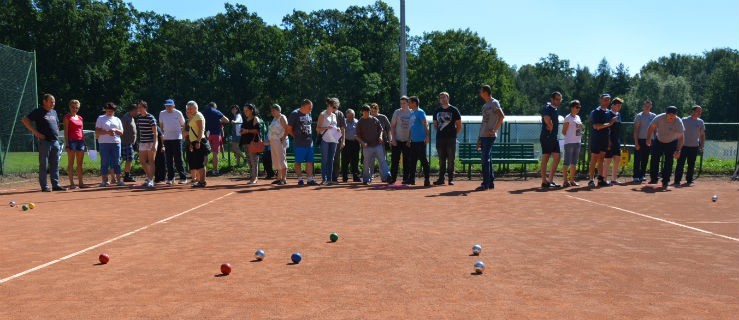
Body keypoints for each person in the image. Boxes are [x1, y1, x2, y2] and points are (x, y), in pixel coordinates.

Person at [21, 94, 66, 192]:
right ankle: (44, 186)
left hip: (55, 142)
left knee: (55, 164)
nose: (53, 103)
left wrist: (56, 132)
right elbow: (24, 120)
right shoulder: (38, 111)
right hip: (44, 142)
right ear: (44, 101)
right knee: (44, 165)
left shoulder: (54, 112)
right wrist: (36, 133)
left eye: (54, 101)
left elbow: (57, 124)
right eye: (51, 101)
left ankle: (55, 185)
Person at [646, 106, 685, 189]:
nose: (672, 116)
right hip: (659, 140)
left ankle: (665, 180)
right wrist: (648, 138)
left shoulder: (678, 121)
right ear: (666, 114)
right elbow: (651, 127)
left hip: (671, 142)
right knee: (654, 158)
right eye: (670, 114)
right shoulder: (659, 118)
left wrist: (678, 150)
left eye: (674, 115)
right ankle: (654, 179)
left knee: (669, 161)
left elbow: (681, 137)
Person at [476, 85, 505, 191]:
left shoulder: (494, 102)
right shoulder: (485, 106)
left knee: (485, 159)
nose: (480, 93)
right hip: (483, 136)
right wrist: (479, 138)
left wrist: (494, 130)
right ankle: (490, 182)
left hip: (489, 136)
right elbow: (483, 123)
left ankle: (485, 183)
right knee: (488, 159)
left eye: (481, 91)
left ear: (486, 92)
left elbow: (501, 116)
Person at [432, 92, 462, 186]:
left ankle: (451, 179)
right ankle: (441, 179)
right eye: (441, 97)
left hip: (451, 139)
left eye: (444, 97)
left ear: (448, 98)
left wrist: (453, 134)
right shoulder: (437, 110)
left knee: (451, 159)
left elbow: (459, 125)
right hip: (440, 138)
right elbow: (435, 124)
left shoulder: (454, 110)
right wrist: (441, 132)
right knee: (441, 159)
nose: (442, 99)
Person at [287, 99, 318, 186]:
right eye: (309, 107)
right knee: (298, 162)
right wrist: (296, 137)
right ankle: (300, 179)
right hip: (299, 143)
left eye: (311, 108)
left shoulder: (309, 113)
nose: (311, 109)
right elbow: (289, 128)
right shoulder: (294, 114)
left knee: (310, 161)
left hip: (309, 142)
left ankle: (310, 179)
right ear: (303, 106)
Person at [356, 105, 389, 185]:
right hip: (367, 146)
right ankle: (366, 179)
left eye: (368, 112)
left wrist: (380, 137)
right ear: (362, 112)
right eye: (365, 112)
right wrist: (362, 143)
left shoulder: (374, 119)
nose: (366, 114)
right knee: (367, 163)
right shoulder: (360, 122)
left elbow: (380, 129)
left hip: (377, 145)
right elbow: (357, 136)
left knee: (382, 161)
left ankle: (387, 176)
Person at [94, 102, 125, 187]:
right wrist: (107, 132)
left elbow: (122, 132)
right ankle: (104, 181)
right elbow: (97, 131)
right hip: (104, 143)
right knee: (105, 162)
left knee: (117, 161)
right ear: (105, 110)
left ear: (114, 111)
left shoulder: (117, 119)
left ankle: (119, 180)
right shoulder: (101, 118)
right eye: (107, 110)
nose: (109, 112)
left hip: (116, 143)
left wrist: (115, 130)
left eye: (111, 110)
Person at [674, 105, 705, 186]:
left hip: (694, 146)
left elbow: (702, 135)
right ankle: (677, 181)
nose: (699, 113)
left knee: (691, 164)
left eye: (700, 111)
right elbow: (678, 131)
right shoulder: (684, 120)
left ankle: (689, 180)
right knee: (680, 163)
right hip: (683, 146)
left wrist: (701, 145)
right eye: (698, 111)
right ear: (693, 111)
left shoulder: (700, 122)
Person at [159, 99, 187, 185]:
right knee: (169, 159)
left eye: (170, 105)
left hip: (177, 138)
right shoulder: (162, 113)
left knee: (178, 158)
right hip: (167, 139)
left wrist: (183, 135)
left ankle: (183, 178)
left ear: (173, 106)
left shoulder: (178, 113)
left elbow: (183, 124)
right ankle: (171, 178)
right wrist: (163, 135)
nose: (168, 107)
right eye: (167, 105)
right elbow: (161, 125)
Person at [587, 94, 612, 187]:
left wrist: (609, 140)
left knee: (601, 158)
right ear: (601, 100)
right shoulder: (596, 112)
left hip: (604, 139)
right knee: (594, 158)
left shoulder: (608, 112)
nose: (607, 101)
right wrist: (610, 123)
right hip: (596, 138)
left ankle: (601, 179)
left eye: (608, 100)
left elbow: (607, 128)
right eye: (605, 100)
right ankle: (591, 179)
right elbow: (596, 126)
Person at [540, 92, 562, 188]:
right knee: (546, 157)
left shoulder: (555, 109)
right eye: (557, 99)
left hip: (553, 137)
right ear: (552, 99)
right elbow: (546, 118)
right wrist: (550, 126)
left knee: (557, 157)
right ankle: (544, 181)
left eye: (560, 99)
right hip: (547, 136)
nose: (558, 101)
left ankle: (550, 180)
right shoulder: (547, 107)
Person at [63, 99, 86, 189]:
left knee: (80, 163)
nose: (74, 109)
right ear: (69, 107)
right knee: (71, 162)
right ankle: (72, 184)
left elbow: (81, 131)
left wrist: (84, 143)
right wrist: (67, 144)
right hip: (71, 141)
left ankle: (81, 183)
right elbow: (66, 131)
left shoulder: (80, 118)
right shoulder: (67, 117)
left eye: (76, 107)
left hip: (80, 141)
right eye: (73, 107)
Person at [318, 98, 341, 185]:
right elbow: (318, 129)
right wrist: (326, 128)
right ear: (330, 106)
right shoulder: (322, 114)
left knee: (331, 160)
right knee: (325, 159)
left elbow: (335, 126)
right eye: (334, 107)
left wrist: (338, 129)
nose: (335, 109)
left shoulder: (334, 115)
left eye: (336, 108)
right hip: (325, 140)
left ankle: (330, 179)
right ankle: (324, 179)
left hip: (334, 140)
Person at [632, 99, 656, 183]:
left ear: (651, 106)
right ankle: (635, 176)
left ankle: (642, 175)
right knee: (637, 158)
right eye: (646, 105)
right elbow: (636, 130)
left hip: (650, 140)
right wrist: (636, 142)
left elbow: (655, 129)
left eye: (649, 106)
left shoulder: (654, 116)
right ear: (643, 106)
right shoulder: (639, 116)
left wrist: (655, 140)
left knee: (645, 159)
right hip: (640, 140)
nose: (647, 107)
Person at [408, 96, 430, 186]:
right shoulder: (412, 113)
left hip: (421, 141)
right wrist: (409, 138)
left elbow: (425, 125)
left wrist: (428, 136)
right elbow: (411, 127)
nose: (408, 104)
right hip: (413, 141)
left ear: (414, 103)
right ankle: (412, 180)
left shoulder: (420, 112)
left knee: (423, 160)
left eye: (409, 102)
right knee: (412, 161)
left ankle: (427, 180)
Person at [389, 96, 412, 184]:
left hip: (407, 141)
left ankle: (406, 178)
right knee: (395, 160)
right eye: (401, 103)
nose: (402, 105)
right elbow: (392, 126)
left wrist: (409, 140)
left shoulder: (411, 113)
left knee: (407, 160)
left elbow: (412, 128)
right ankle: (393, 178)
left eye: (404, 103)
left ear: (408, 103)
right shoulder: (397, 112)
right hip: (397, 140)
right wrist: (393, 139)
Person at [135, 100, 158, 189]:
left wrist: (154, 144)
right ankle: (149, 178)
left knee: (151, 161)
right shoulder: (139, 118)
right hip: (143, 142)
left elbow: (155, 132)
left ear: (145, 107)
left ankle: (151, 180)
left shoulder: (151, 118)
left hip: (151, 142)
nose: (139, 109)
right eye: (138, 107)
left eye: (140, 107)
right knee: (142, 161)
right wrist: (138, 142)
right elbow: (139, 131)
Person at [202, 102, 228, 176]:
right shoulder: (216, 111)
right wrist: (219, 121)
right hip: (216, 134)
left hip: (206, 134)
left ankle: (203, 170)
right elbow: (227, 120)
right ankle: (214, 170)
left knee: (205, 153)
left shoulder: (204, 112)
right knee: (215, 153)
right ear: (215, 107)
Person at [185, 101, 207, 187]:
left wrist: (198, 141)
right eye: (188, 108)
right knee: (198, 162)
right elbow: (192, 131)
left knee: (200, 162)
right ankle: (200, 181)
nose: (189, 110)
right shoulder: (194, 116)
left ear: (196, 108)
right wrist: (191, 143)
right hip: (194, 141)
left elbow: (201, 129)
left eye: (190, 108)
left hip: (199, 141)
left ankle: (202, 181)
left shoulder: (198, 115)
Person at [561, 100, 583, 187]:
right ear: (572, 107)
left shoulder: (578, 117)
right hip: (569, 143)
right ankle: (565, 181)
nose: (578, 109)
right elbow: (563, 131)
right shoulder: (567, 118)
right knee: (566, 162)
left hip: (577, 142)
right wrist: (570, 137)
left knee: (574, 162)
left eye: (579, 107)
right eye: (577, 107)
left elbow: (579, 130)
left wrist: (579, 133)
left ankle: (572, 180)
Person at [240, 103, 263, 184]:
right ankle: (252, 177)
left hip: (253, 143)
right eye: (244, 111)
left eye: (247, 110)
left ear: (251, 110)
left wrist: (247, 131)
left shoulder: (255, 118)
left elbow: (257, 130)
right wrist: (242, 131)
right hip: (245, 142)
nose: (245, 112)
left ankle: (254, 178)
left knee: (254, 161)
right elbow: (243, 129)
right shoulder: (245, 119)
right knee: (249, 161)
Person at [603, 97, 624, 185]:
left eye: (620, 105)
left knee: (617, 159)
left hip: (617, 141)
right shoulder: (608, 114)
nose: (619, 107)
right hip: (609, 140)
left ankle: (613, 179)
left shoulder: (618, 114)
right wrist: (608, 141)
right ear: (613, 105)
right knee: (607, 160)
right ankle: (603, 179)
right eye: (618, 105)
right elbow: (607, 128)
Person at [268, 104, 289, 185]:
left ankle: (284, 179)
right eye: (272, 110)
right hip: (273, 142)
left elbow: (287, 129)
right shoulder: (274, 118)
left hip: (280, 142)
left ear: (278, 110)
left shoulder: (282, 117)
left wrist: (283, 139)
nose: (272, 112)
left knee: (282, 159)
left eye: (274, 110)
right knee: (276, 160)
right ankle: (279, 178)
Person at [342, 109, 361, 182]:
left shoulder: (357, 121)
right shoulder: (343, 121)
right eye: (350, 116)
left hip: (355, 143)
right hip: (346, 142)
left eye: (352, 116)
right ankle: (344, 177)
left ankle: (355, 177)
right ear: (346, 115)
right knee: (345, 161)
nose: (351, 117)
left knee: (355, 161)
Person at [120, 104, 138, 182]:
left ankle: (127, 175)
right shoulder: (125, 118)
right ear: (132, 110)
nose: (137, 112)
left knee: (129, 159)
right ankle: (126, 176)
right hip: (125, 142)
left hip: (130, 143)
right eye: (136, 110)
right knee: (128, 158)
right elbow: (120, 129)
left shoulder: (131, 118)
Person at [331, 103, 347, 183]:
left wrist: (343, 141)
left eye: (336, 106)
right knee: (327, 159)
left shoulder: (340, 114)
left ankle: (334, 177)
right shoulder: (325, 113)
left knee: (336, 159)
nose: (334, 107)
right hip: (327, 140)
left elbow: (343, 128)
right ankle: (327, 177)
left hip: (337, 140)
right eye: (333, 106)